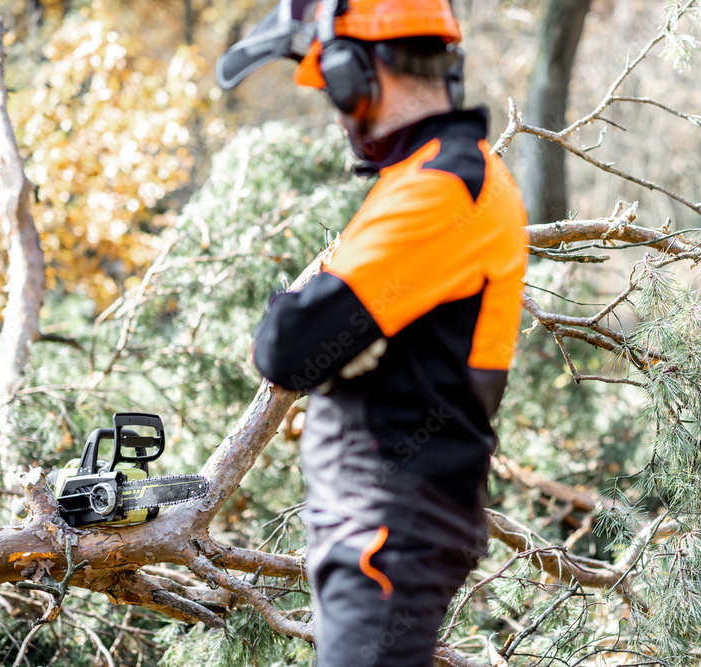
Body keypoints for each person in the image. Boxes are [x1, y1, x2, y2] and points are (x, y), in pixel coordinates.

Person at [218, 1, 527, 664]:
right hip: (378, 525)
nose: (335, 110)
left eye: (332, 89)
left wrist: (310, 317)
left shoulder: (444, 188)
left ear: (353, 73)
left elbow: (286, 348)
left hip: (388, 530)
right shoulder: (422, 179)